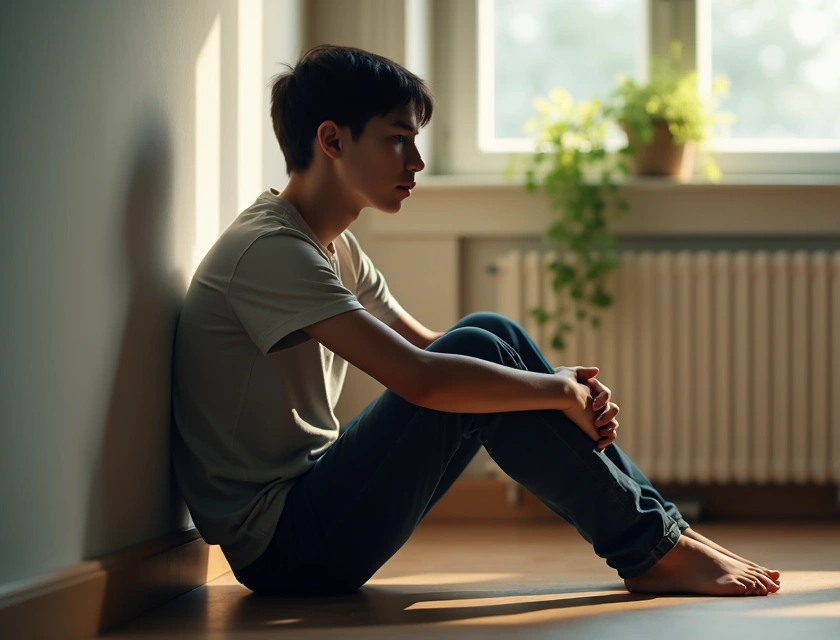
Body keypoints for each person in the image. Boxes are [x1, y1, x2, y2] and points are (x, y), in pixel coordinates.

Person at [171, 44, 781, 598]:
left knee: (495, 332)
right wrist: (554, 392)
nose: (416, 161)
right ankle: (653, 548)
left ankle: (663, 537)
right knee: (483, 349)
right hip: (284, 547)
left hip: (315, 507)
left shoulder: (333, 247)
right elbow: (424, 380)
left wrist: (552, 381)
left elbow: (438, 347)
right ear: (332, 141)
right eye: (397, 140)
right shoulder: (271, 252)